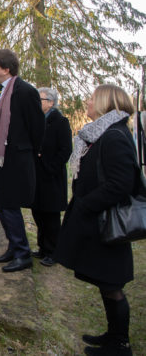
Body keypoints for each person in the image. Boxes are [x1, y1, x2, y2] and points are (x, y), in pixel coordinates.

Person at [55, 85, 136, 356]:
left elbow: (121, 183)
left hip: (106, 224)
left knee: (112, 286)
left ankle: (120, 346)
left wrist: (86, 205)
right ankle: (112, 336)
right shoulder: (101, 134)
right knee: (105, 283)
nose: (87, 103)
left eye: (91, 99)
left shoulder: (114, 136)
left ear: (104, 103)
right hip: (95, 221)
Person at [0, 49, 44, 272]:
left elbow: (37, 128)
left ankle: (23, 254)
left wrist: (25, 154)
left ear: (6, 68)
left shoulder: (25, 91)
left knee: (11, 206)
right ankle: (14, 246)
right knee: (2, 207)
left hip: (14, 160)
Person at [30, 87, 72, 267]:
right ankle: (42, 247)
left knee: (51, 216)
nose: (37, 102)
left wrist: (49, 166)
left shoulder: (60, 121)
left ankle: (54, 251)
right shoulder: (36, 120)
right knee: (38, 212)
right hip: (36, 176)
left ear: (51, 102)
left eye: (40, 99)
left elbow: (65, 150)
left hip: (51, 177)